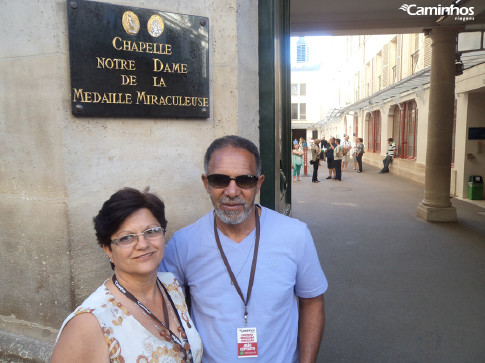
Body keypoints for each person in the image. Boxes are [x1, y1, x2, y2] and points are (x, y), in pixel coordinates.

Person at [160, 135, 328, 363]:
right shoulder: (183, 243)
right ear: (206, 183)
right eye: (219, 179)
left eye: (245, 180)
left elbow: (312, 301)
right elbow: (162, 308)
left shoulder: (295, 235)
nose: (231, 191)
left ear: (258, 183)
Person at [51, 188, 202, 363]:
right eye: (126, 238)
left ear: (163, 234)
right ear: (108, 249)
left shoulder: (171, 285)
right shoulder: (89, 323)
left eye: (151, 231)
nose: (143, 244)